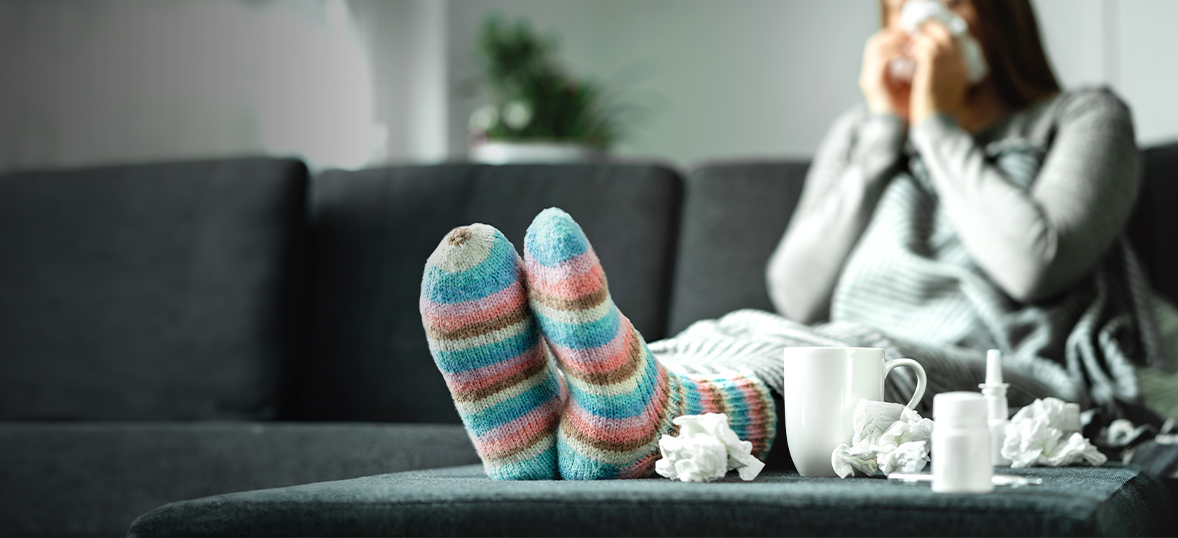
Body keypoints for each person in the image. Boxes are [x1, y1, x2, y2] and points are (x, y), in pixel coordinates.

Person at [418, 0, 1163, 481]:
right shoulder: (862, 137)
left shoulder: (1084, 116)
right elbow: (795, 291)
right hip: (838, 337)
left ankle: (641, 423)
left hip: (1013, 372)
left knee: (838, 354)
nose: (919, 23)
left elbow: (1033, 265)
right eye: (902, 6)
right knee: (727, 328)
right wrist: (880, 139)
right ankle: (554, 431)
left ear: (996, 19)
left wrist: (936, 126)